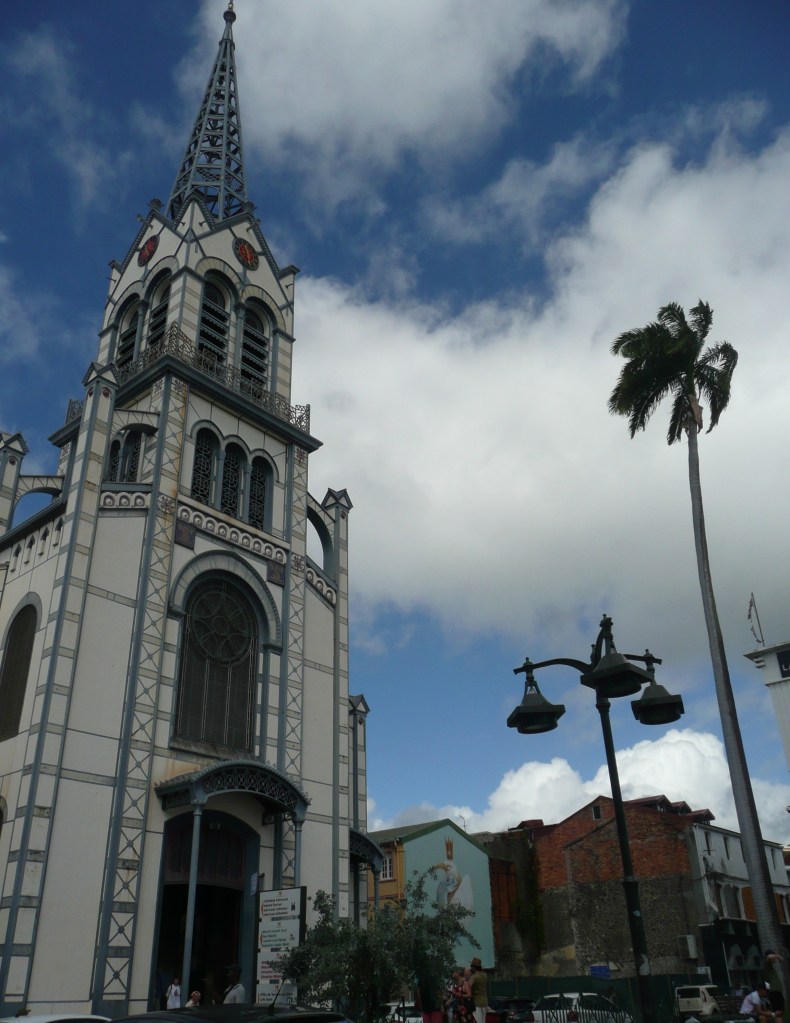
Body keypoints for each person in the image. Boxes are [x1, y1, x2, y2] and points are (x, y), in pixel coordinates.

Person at [469, 958, 488, 1023]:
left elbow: (469, 986)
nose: (470, 968)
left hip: (476, 1003)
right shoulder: (485, 975)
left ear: (474, 967)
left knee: (478, 1021)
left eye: (471, 966)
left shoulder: (474, 977)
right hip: (484, 1002)